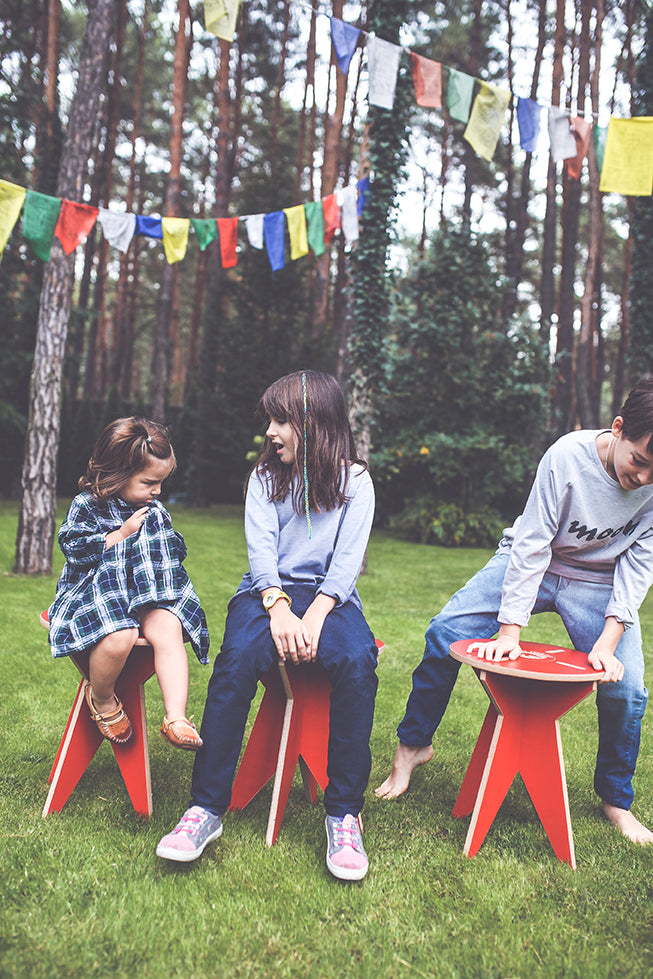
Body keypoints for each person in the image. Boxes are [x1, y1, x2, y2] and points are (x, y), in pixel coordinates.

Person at [376, 376, 653, 845]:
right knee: (444, 631)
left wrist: (608, 642)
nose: (643, 478)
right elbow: (532, 544)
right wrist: (509, 632)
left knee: (627, 688)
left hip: (598, 581)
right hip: (534, 560)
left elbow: (639, 564)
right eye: (639, 461)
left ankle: (615, 800)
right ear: (619, 427)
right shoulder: (566, 457)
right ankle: (412, 747)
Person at [157, 370, 378, 880]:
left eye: (281, 420)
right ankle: (204, 809)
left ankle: (344, 814)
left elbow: (347, 563)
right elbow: (261, 553)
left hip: (331, 596)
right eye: (270, 421)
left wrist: (315, 614)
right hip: (265, 590)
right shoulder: (264, 478)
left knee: (357, 661)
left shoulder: (357, 482)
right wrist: (278, 608)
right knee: (236, 660)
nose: (270, 432)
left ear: (313, 423)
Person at [49, 416, 209, 750]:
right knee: (120, 636)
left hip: (146, 592)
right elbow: (74, 548)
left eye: (161, 482)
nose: (158, 491)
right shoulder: (88, 505)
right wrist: (120, 534)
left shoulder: (153, 509)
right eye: (149, 482)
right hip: (96, 591)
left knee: (169, 628)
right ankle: (102, 697)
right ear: (117, 474)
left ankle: (176, 717)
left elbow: (164, 558)